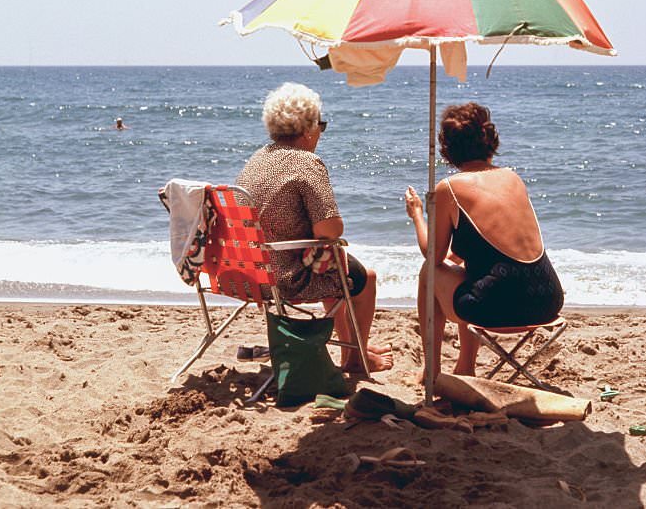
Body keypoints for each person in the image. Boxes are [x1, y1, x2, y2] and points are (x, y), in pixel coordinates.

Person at [237, 82, 393, 373]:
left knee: (328, 263)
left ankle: (353, 343)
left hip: (251, 273)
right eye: (320, 124)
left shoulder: (257, 159)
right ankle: (356, 357)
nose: (321, 132)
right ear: (308, 128)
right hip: (287, 277)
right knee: (364, 278)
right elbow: (331, 230)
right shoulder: (307, 163)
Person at [405, 102, 564, 381]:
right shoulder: (512, 177)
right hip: (548, 299)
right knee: (470, 271)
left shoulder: (450, 188)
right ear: (489, 141)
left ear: (448, 148)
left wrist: (417, 214)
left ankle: (433, 369)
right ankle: (465, 366)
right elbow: (491, 243)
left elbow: (434, 255)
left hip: (498, 307)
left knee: (428, 274)